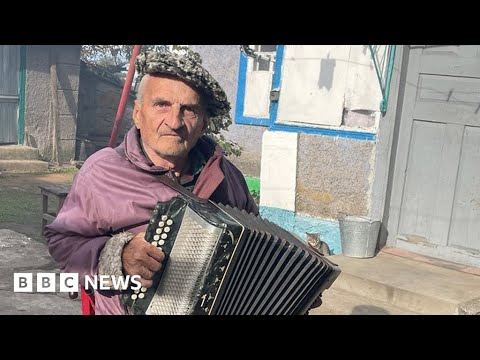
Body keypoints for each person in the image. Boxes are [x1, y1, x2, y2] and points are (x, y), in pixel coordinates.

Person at [45, 49, 321, 315]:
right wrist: (118, 255)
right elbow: (62, 241)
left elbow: (257, 251)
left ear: (203, 123)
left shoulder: (227, 175)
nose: (174, 121)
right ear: (138, 114)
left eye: (188, 110)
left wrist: (296, 285)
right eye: (161, 105)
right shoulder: (104, 170)